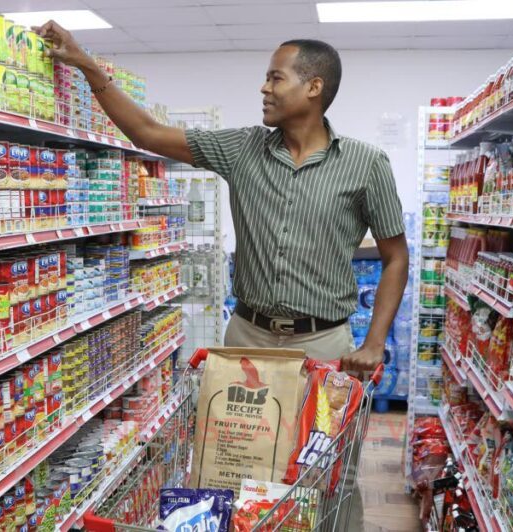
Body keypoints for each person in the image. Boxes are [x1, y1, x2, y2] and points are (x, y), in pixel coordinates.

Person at [36, 21, 409, 530]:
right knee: (233, 471)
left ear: (313, 87)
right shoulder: (242, 149)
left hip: (324, 346)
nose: (264, 88)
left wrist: (376, 340)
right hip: (246, 342)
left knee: (325, 478)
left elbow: (395, 256)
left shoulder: (367, 165)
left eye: (275, 78)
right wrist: (86, 65)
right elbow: (146, 133)